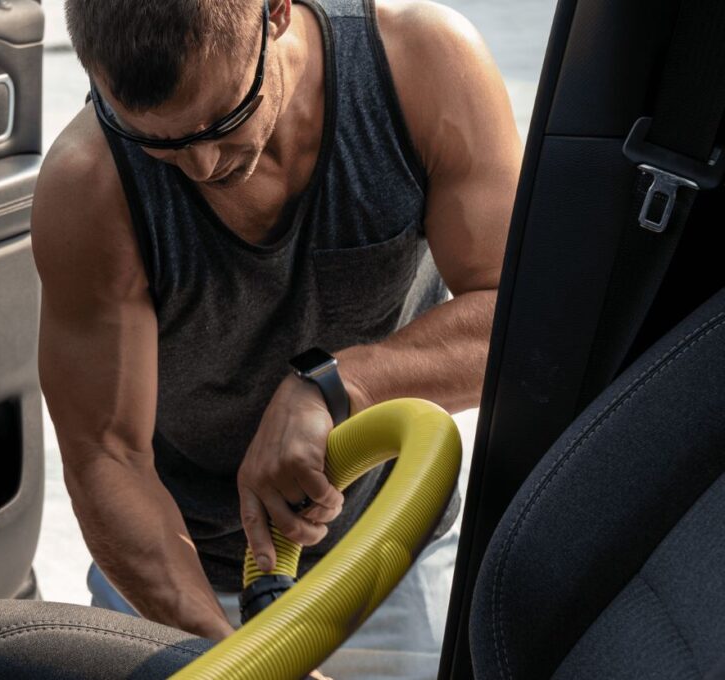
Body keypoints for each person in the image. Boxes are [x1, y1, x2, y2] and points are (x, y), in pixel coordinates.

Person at [31, 0, 519, 676]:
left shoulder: (421, 65)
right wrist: (237, 659)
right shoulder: (89, 180)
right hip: (176, 576)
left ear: (277, 12)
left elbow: (515, 327)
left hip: (385, 549)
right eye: (159, 143)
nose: (200, 164)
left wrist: (337, 385)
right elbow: (106, 458)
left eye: (223, 120)